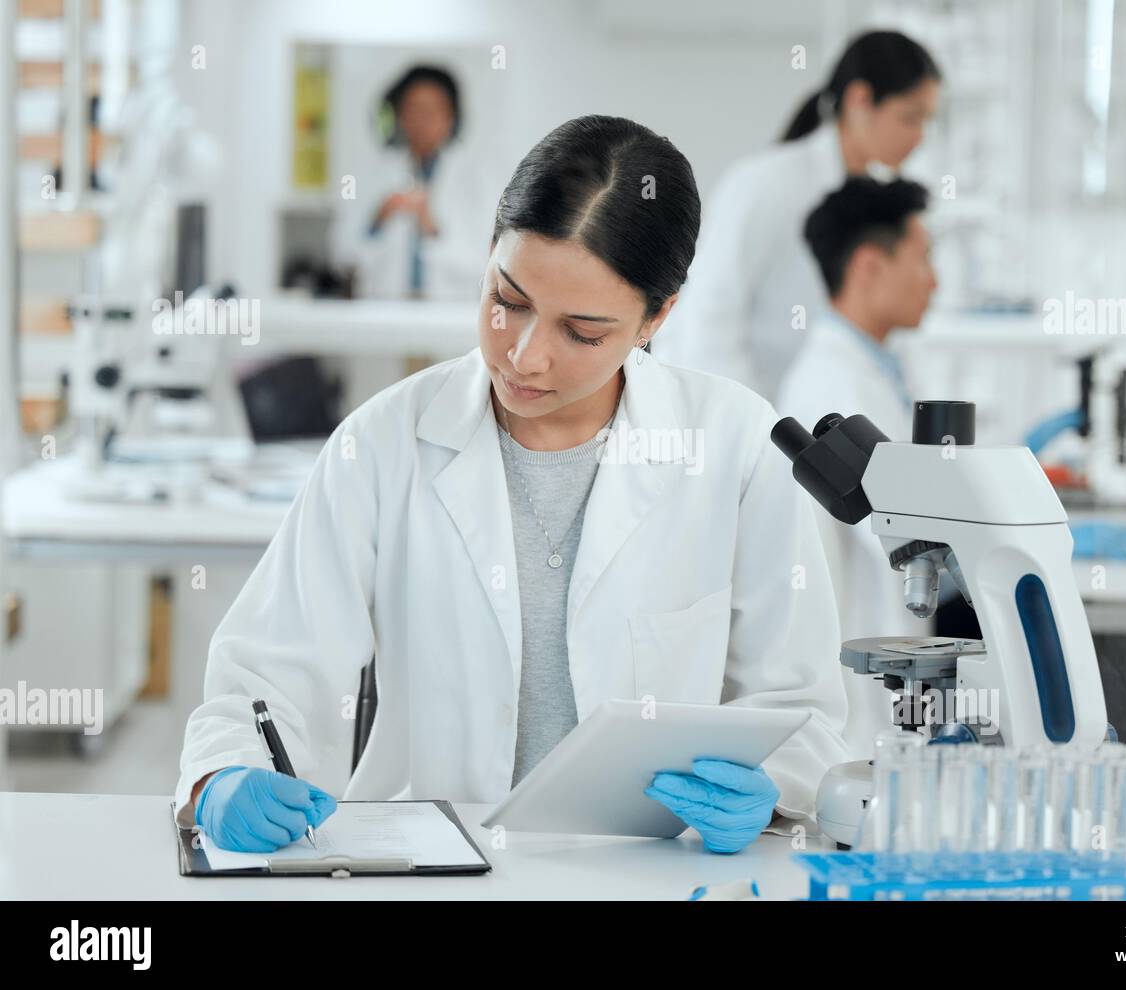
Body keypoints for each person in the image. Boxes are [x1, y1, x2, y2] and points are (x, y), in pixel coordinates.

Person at [175, 116, 850, 856]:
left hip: (652, 871)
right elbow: (268, 665)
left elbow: (801, 709)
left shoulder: (735, 446)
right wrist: (224, 774)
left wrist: (775, 790)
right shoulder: (384, 443)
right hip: (435, 861)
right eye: (510, 299)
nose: (525, 356)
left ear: (658, 317)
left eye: (582, 333)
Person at [653, 30, 941, 400]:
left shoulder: (871, 200)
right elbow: (707, 318)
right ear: (860, 100)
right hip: (748, 414)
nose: (920, 137)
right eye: (910, 118)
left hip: (809, 422)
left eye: (927, 121)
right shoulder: (768, 183)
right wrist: (753, 426)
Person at [776, 176, 937, 757]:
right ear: (870, 265)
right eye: (923, 258)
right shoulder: (829, 383)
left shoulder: (875, 368)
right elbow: (905, 536)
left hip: (894, 669)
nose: (934, 280)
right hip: (863, 700)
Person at [336, 64, 489, 300]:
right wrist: (379, 218)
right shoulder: (372, 174)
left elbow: (485, 264)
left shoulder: (476, 178)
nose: (422, 120)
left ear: (450, 117)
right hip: (383, 312)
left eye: (431, 111)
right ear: (400, 115)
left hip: (449, 312)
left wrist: (432, 229)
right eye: (414, 109)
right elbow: (344, 257)